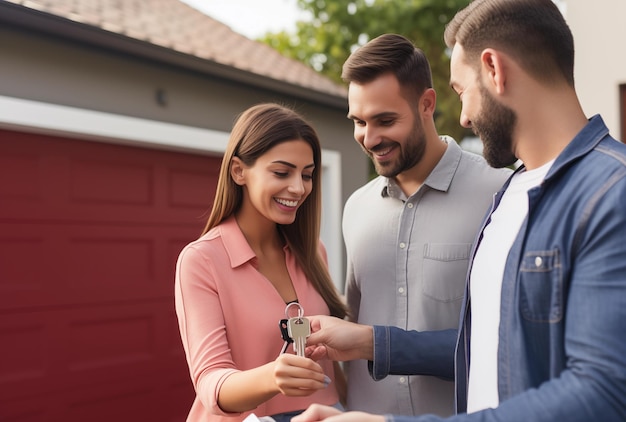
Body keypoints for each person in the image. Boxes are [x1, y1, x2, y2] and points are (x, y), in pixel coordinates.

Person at [293, 0, 626, 421]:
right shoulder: (513, 196)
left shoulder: (611, 192)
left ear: (494, 70)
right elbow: (484, 348)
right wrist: (371, 346)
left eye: (461, 91)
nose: (464, 118)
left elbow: (604, 395)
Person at [339, 33, 511, 416]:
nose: (369, 138)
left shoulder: (500, 194)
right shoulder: (356, 208)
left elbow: (510, 344)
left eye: (385, 120)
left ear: (427, 104)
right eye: (359, 122)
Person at [174, 103, 349, 422]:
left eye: (307, 175)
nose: (298, 188)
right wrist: (272, 378)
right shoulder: (201, 260)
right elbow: (210, 382)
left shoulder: (314, 252)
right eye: (282, 172)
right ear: (239, 171)